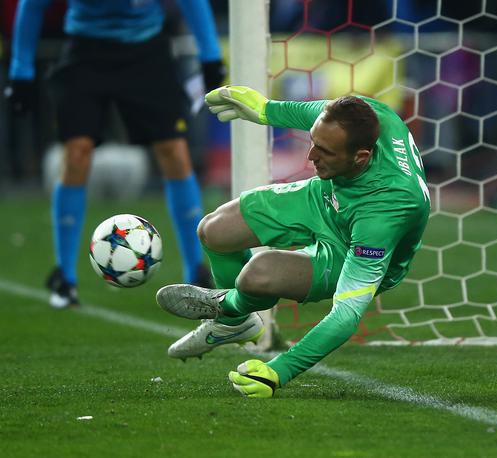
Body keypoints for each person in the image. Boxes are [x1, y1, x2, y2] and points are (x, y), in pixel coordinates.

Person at [155, 85, 430, 398]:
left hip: (352, 243)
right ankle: (234, 324)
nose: (311, 155)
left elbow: (346, 316)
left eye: (324, 152)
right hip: (327, 196)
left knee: (257, 275)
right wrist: (265, 110)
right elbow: (312, 115)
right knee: (214, 230)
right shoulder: (364, 114)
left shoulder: (386, 212)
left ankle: (229, 307)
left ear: (361, 157)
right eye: (314, 142)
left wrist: (279, 371)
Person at [4, 0, 224, 308]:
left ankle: (196, 272)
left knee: (174, 150)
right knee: (77, 151)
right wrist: (21, 70)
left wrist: (210, 55)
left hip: (146, 51)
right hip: (85, 52)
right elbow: (33, 5)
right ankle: (64, 276)